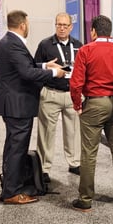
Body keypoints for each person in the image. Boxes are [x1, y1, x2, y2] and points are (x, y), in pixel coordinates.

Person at [0, 10, 66, 205]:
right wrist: (53, 74)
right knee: (17, 148)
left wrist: (43, 66)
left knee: (12, 146)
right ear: (23, 24)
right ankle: (11, 192)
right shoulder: (13, 44)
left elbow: (24, 66)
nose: (28, 27)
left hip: (12, 103)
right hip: (17, 104)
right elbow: (25, 73)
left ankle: (9, 181)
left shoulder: (8, 42)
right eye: (28, 23)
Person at [69, 15, 113, 212]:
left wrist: (77, 104)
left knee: (89, 153)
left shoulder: (86, 50)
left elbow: (76, 82)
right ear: (111, 31)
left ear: (94, 31)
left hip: (94, 104)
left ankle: (86, 199)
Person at [34, 13, 83, 183]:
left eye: (65, 25)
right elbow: (34, 66)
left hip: (71, 95)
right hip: (51, 93)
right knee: (46, 132)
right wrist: (46, 66)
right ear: (55, 26)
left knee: (74, 131)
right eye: (58, 24)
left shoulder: (79, 45)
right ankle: (44, 167)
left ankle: (75, 162)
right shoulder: (45, 44)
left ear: (71, 27)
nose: (61, 28)